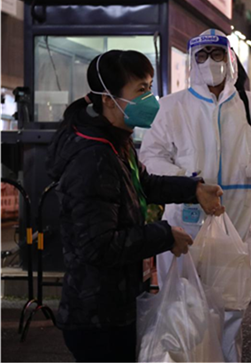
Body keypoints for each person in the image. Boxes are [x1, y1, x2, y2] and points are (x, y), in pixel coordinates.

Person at [46, 50, 224, 362]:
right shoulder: (93, 157)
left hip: (117, 304)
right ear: (108, 99)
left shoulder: (117, 141)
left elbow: (144, 184)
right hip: (97, 316)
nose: (150, 99)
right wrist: (164, 235)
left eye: (150, 87)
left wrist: (193, 189)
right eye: (141, 89)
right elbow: (98, 246)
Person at [140, 29, 251, 362]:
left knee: (231, 307)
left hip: (235, 221)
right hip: (183, 223)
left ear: (230, 59)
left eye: (217, 54)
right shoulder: (171, 107)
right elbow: (152, 157)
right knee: (182, 304)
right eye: (201, 56)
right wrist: (188, 183)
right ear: (192, 61)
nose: (209, 63)